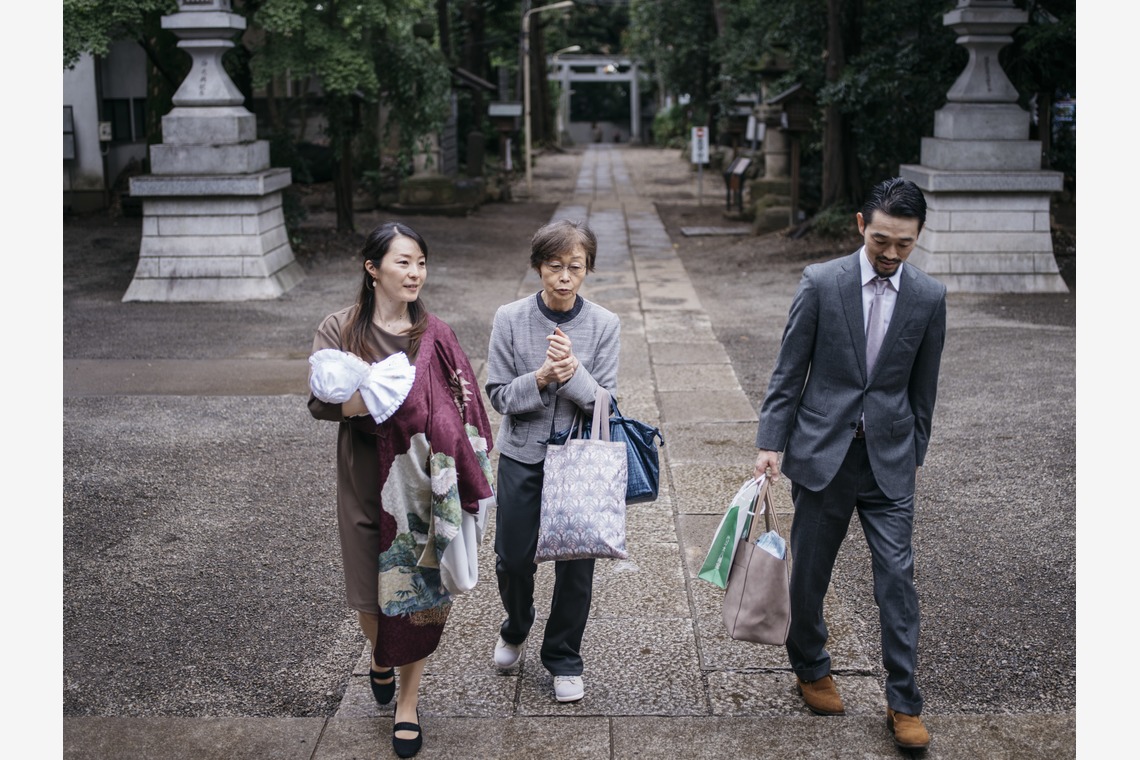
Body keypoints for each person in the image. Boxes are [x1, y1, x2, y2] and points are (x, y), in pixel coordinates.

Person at [752, 177, 947, 751]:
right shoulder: (821, 283)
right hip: (822, 456)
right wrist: (772, 441)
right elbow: (789, 371)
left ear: (918, 239)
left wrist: (914, 453)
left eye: (904, 245)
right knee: (809, 577)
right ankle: (811, 666)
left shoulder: (929, 298)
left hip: (890, 460)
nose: (890, 254)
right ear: (862, 225)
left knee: (897, 581)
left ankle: (904, 701)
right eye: (882, 240)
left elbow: (924, 390)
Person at [308, 221, 495, 758]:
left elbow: (465, 405)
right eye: (403, 262)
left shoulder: (435, 334)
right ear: (373, 269)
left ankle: (408, 704)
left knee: (418, 593)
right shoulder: (340, 328)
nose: (415, 273)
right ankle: (379, 653)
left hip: (422, 484)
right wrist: (375, 399)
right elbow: (321, 403)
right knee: (369, 596)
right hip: (366, 477)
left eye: (421, 263)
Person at [484, 218, 621, 703]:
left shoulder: (604, 324)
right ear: (539, 266)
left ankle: (563, 657)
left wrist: (573, 373)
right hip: (522, 455)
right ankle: (516, 625)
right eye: (555, 265)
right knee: (513, 559)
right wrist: (541, 377)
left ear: (587, 270)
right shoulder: (510, 318)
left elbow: (606, 401)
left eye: (575, 267)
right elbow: (497, 394)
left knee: (576, 564)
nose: (565, 276)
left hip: (579, 460)